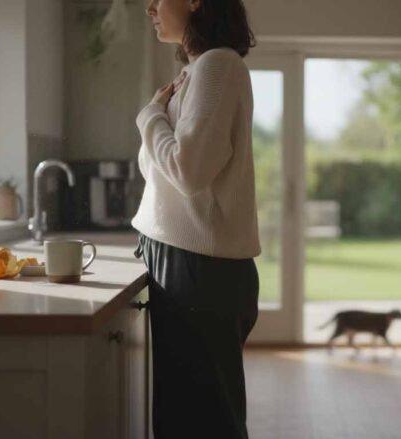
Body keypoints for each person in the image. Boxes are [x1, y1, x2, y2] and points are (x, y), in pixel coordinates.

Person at [131, 0, 260, 437]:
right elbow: (158, 173)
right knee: (186, 420)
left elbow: (187, 171)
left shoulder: (218, 66)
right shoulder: (197, 73)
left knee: (204, 424)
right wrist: (157, 120)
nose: (149, 7)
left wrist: (149, 118)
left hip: (198, 270)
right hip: (184, 264)